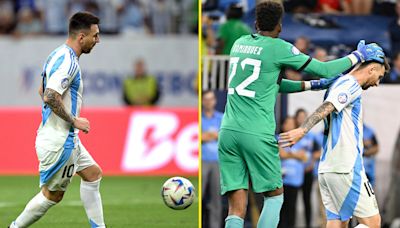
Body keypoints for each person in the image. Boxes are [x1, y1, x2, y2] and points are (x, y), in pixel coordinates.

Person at [218, 1, 384, 227]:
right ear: (280, 26)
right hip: (256, 131)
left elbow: (269, 83)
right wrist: (356, 55)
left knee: (236, 206)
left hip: (227, 131)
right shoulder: (279, 47)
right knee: (274, 196)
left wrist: (310, 85)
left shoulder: (239, 43)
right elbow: (325, 69)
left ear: (255, 23)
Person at [9, 12, 105, 228]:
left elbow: (42, 88)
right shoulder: (69, 63)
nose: (98, 40)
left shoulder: (56, 54)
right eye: (95, 36)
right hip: (60, 141)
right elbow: (49, 94)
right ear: (81, 37)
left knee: (93, 175)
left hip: (65, 137)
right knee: (51, 196)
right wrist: (74, 120)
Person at [279, 54, 389, 227]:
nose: (377, 83)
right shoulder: (351, 84)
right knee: (373, 223)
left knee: (337, 223)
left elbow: (321, 95)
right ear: (372, 68)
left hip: (327, 169)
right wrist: (302, 129)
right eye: (379, 76)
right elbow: (329, 106)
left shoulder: (338, 82)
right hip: (346, 167)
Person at [278, 116, 308, 228]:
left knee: (291, 211)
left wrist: (288, 155)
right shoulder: (278, 139)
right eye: (288, 123)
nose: (290, 125)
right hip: (280, 181)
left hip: (295, 181)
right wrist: (296, 155)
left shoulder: (300, 141)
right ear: (283, 125)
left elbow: (304, 157)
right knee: (280, 211)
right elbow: (280, 154)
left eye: (292, 123)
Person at [202, 90, 224, 228]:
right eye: (206, 99)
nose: (209, 102)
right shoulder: (198, 117)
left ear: (215, 101)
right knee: (198, 196)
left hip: (218, 161)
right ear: (202, 101)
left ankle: (214, 225)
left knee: (216, 199)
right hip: (202, 161)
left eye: (211, 99)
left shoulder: (221, 117)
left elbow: (224, 136)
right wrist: (213, 135)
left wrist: (206, 136)